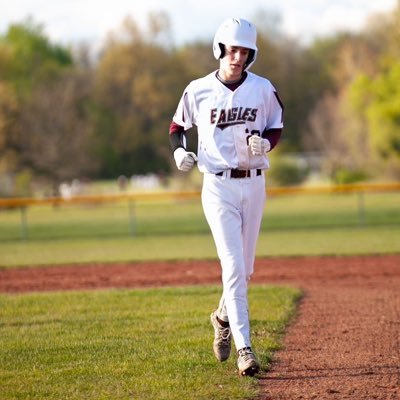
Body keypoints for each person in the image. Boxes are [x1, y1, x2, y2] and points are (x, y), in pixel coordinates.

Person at [169, 17, 284, 376]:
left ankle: (221, 316)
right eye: (232, 49)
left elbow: (276, 124)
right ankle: (245, 349)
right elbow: (177, 126)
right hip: (217, 186)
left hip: (254, 184)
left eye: (244, 51)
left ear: (251, 55)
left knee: (245, 270)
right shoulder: (198, 89)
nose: (237, 57)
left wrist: (266, 143)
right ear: (220, 49)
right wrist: (179, 152)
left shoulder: (263, 89)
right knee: (232, 267)